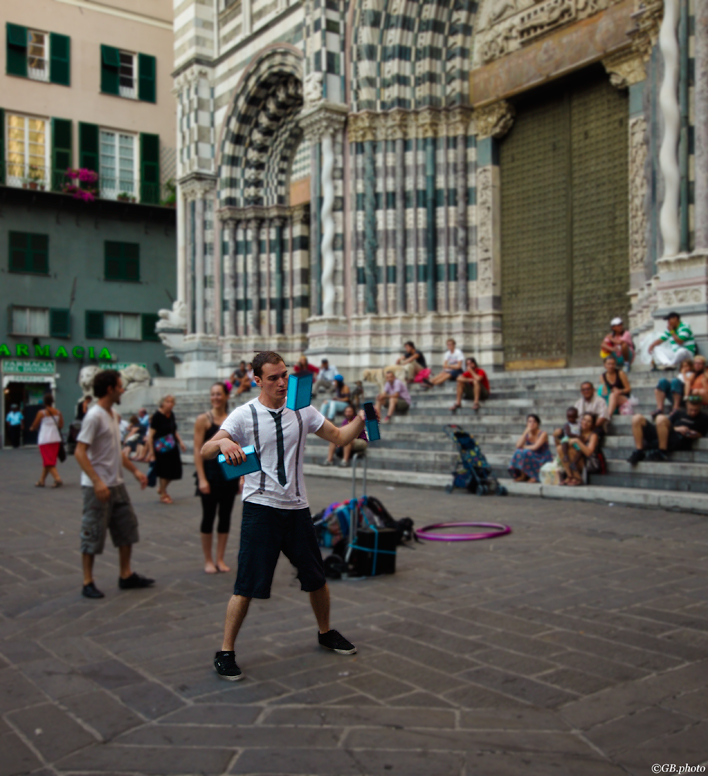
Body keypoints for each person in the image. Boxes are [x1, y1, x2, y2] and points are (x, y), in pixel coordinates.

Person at [201, 351, 365, 681]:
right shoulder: (244, 414)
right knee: (245, 585)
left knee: (316, 578)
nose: (282, 382)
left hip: (297, 508)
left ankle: (325, 631)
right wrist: (222, 445)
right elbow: (206, 449)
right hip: (260, 508)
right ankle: (226, 650)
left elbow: (339, 436)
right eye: (274, 377)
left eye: (285, 375)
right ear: (257, 380)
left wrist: (362, 419)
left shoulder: (302, 409)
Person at [74, 369, 153, 599]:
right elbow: (80, 452)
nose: (123, 389)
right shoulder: (94, 416)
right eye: (120, 386)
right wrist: (97, 481)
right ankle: (87, 581)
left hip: (116, 484)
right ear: (110, 389)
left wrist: (136, 471)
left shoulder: (112, 414)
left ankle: (125, 574)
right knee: (92, 532)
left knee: (127, 529)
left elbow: (116, 452)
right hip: (96, 486)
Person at [193, 382, 241, 574]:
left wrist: (239, 477)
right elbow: (198, 450)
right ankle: (208, 559)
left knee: (225, 517)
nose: (216, 397)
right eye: (213, 394)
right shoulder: (203, 420)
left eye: (219, 394)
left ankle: (220, 558)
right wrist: (202, 479)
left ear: (226, 396)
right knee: (208, 516)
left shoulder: (232, 419)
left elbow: (237, 447)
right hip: (210, 474)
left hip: (228, 474)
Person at [628, 396, 708, 465]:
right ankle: (639, 451)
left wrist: (692, 434)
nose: (693, 412)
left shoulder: (703, 418)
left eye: (696, 410)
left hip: (678, 439)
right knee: (637, 418)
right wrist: (677, 428)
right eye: (691, 409)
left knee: (660, 418)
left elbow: (701, 434)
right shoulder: (679, 413)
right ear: (687, 405)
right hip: (666, 432)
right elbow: (667, 424)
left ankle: (662, 451)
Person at [145, 395, 186, 505]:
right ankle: (163, 493)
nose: (170, 404)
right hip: (161, 448)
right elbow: (150, 435)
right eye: (167, 401)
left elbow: (174, 430)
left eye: (172, 402)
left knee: (176, 470)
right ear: (162, 402)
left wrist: (181, 442)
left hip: (172, 446)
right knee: (165, 471)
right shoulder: (157, 416)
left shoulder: (171, 414)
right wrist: (151, 453)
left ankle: (162, 488)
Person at [29, 393, 64, 488]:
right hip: (55, 438)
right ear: (53, 401)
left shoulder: (42, 413)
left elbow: (35, 425)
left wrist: (32, 428)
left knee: (48, 461)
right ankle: (41, 481)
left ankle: (57, 479)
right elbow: (61, 425)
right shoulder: (58, 412)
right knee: (48, 460)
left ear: (44, 402)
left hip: (45, 439)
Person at [558, 413, 600, 487]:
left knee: (571, 451)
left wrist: (577, 441)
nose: (585, 423)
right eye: (584, 420)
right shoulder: (577, 431)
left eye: (589, 421)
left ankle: (577, 478)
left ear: (592, 424)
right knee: (560, 448)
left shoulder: (593, 435)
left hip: (588, 462)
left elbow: (589, 453)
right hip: (575, 460)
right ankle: (570, 476)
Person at [508, 414, 552, 483]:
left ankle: (534, 476)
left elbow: (535, 447)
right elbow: (518, 445)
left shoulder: (543, 433)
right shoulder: (527, 433)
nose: (532, 424)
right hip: (531, 454)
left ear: (538, 423)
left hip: (542, 456)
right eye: (529, 421)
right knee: (518, 451)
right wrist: (525, 432)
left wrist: (523, 447)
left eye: (534, 422)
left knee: (526, 452)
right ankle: (523, 475)